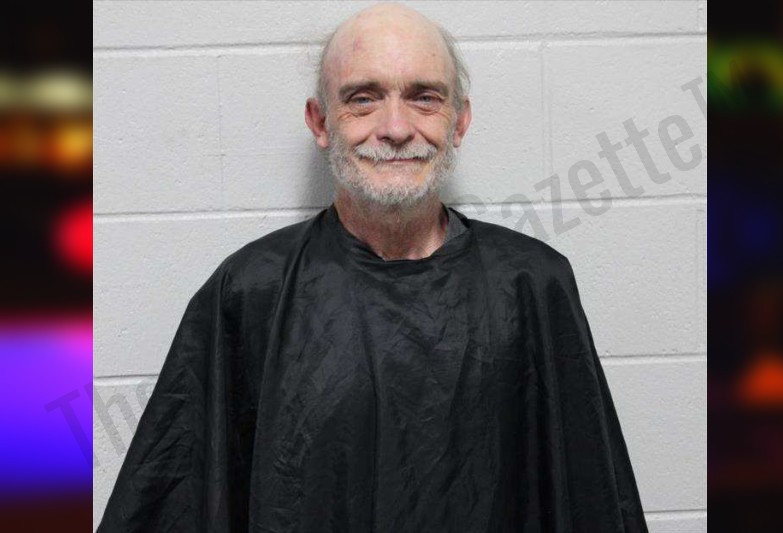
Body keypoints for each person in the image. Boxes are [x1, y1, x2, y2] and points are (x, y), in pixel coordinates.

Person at [98, 4, 648, 532]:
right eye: (363, 99)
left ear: (459, 121)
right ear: (320, 121)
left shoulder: (533, 287)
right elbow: (178, 497)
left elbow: (591, 499)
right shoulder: (250, 292)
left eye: (424, 98)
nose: (396, 128)